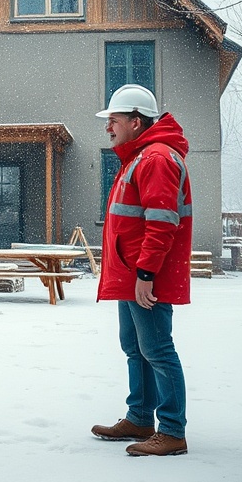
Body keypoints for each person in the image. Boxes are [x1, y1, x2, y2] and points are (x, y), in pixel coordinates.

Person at [91, 84, 192, 457]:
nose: (108, 127)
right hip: (131, 274)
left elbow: (162, 222)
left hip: (144, 277)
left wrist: (146, 274)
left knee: (157, 349)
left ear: (136, 121)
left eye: (114, 120)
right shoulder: (138, 157)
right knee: (135, 347)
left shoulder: (156, 158)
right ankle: (139, 417)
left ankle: (172, 431)